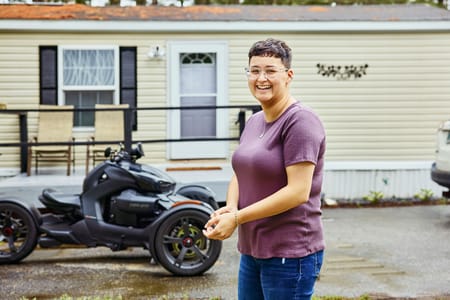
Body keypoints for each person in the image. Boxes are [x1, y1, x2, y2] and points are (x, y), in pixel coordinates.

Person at [203, 38, 326, 300]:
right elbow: (242, 169)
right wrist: (232, 207)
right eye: (255, 70)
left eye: (271, 70)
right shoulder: (255, 120)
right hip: (252, 249)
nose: (261, 78)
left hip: (289, 253)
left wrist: (237, 219)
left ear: (288, 75)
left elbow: (298, 192)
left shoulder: (300, 121)